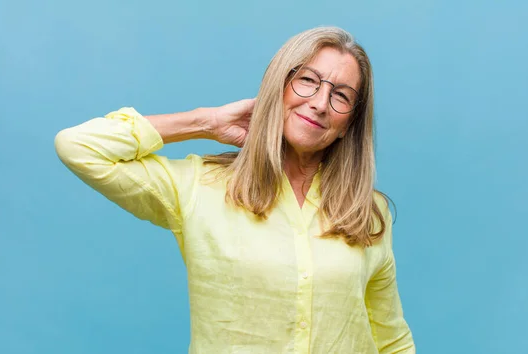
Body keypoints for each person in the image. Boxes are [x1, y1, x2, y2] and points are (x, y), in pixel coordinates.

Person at [55, 26, 415, 354]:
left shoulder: (367, 212)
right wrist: (205, 122)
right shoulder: (199, 186)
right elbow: (79, 146)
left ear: (347, 125)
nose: (320, 103)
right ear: (279, 87)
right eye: (308, 80)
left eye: (341, 96)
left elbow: (392, 340)